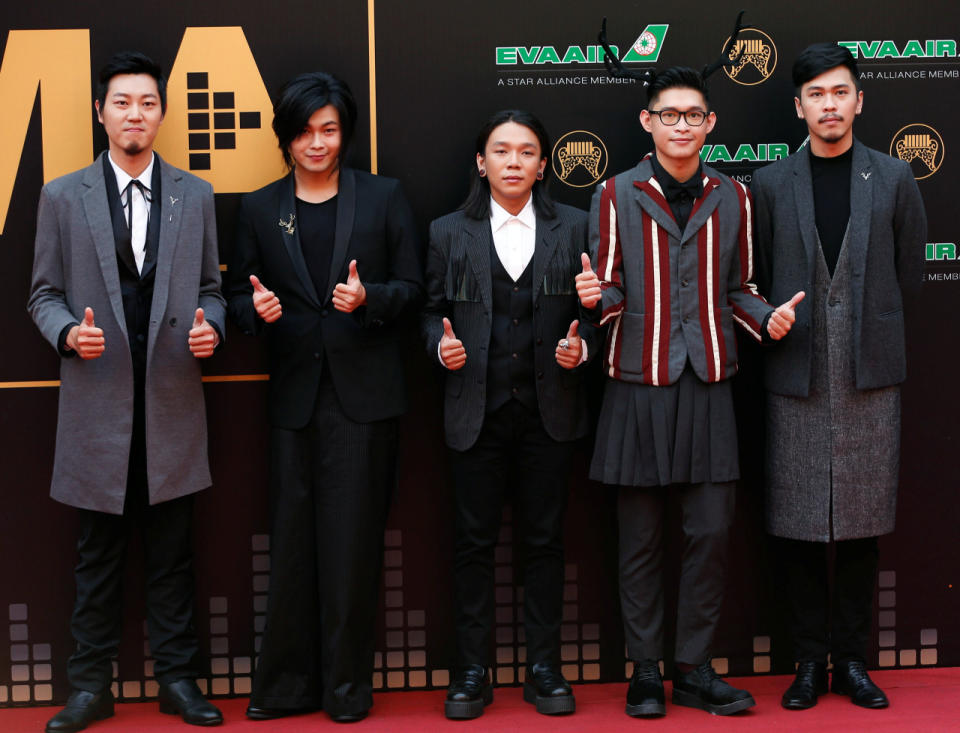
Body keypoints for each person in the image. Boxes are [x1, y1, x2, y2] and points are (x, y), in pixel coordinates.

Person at [576, 66, 803, 717]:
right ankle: (645, 670)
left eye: (692, 115)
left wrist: (768, 319)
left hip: (709, 380)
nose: (681, 124)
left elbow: (740, 289)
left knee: (709, 530)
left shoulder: (734, 195)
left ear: (709, 125)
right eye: (668, 114)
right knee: (640, 535)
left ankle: (694, 666)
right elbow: (610, 285)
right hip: (636, 380)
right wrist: (596, 299)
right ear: (647, 122)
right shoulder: (615, 193)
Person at [28, 52, 225, 731]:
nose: (134, 114)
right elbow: (43, 294)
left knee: (174, 554)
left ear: (162, 113)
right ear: (99, 111)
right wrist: (65, 336)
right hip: (97, 403)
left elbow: (210, 291)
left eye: (146, 102)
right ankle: (90, 687)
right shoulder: (62, 195)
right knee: (97, 555)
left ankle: (177, 680)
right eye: (122, 102)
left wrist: (214, 330)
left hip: (173, 398)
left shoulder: (194, 196)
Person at [226, 71, 422, 723]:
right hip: (293, 398)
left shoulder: (384, 197)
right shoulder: (257, 208)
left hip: (364, 397)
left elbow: (413, 288)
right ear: (286, 136)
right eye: (306, 131)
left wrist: (370, 300)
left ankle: (345, 690)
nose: (318, 143)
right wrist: (253, 309)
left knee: (351, 548)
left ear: (345, 133)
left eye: (330, 130)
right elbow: (233, 303)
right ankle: (284, 688)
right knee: (292, 547)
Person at [752, 43, 926, 711]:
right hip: (794, 373)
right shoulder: (770, 183)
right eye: (816, 95)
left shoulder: (894, 177)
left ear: (859, 99)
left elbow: (908, 271)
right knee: (796, 525)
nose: (829, 104)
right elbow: (756, 274)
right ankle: (806, 661)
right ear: (798, 106)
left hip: (869, 375)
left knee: (861, 526)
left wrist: (866, 323)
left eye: (840, 92)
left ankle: (852, 661)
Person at [421, 109, 598, 720]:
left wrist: (584, 350)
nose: (514, 161)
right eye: (501, 151)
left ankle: (544, 666)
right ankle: (473, 670)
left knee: (545, 542)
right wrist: (437, 346)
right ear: (481, 161)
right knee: (472, 545)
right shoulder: (447, 232)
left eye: (526, 152)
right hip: (476, 411)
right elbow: (430, 310)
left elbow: (599, 315)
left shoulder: (576, 227)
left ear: (544, 163)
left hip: (550, 412)